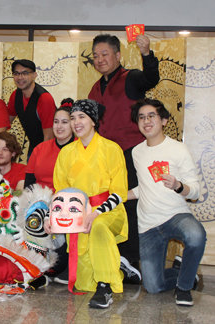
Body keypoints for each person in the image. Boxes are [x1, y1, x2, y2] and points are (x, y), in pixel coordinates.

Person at [89, 34, 160, 270]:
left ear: (118, 56)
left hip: (130, 153)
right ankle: (111, 250)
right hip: (105, 157)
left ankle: (131, 257)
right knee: (107, 202)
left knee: (129, 203)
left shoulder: (131, 78)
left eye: (105, 54)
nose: (99, 59)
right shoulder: (94, 87)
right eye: (96, 55)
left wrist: (147, 53)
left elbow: (151, 78)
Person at [50, 99, 128, 309]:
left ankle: (105, 286)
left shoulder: (111, 149)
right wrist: (53, 218)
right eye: (72, 118)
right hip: (77, 211)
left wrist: (96, 212)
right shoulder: (66, 152)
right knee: (85, 282)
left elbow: (120, 192)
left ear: (93, 121)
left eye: (81, 117)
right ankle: (114, 268)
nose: (76, 122)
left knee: (99, 226)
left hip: (109, 209)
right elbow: (61, 191)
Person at [128, 99, 205, 306]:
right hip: (148, 225)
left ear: (164, 120)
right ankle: (184, 272)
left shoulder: (179, 149)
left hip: (175, 216)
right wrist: (118, 196)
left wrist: (178, 185)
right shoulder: (137, 152)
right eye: (141, 117)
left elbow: (195, 191)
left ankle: (184, 287)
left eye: (151, 116)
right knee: (153, 286)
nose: (146, 121)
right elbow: (143, 187)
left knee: (196, 235)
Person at [7, 59, 57, 157]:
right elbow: (5, 122)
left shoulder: (44, 98)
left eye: (25, 73)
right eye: (16, 73)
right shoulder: (15, 95)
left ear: (34, 75)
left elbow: (49, 136)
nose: (20, 77)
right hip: (34, 146)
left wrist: (41, 159)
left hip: (50, 149)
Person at [24, 98, 75, 192]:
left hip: (70, 201)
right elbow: (29, 185)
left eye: (64, 122)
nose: (59, 126)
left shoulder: (82, 149)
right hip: (41, 201)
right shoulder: (40, 148)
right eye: (56, 122)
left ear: (73, 124)